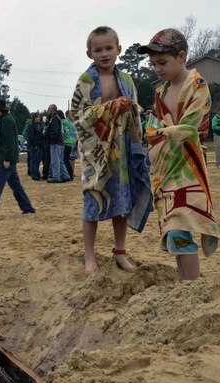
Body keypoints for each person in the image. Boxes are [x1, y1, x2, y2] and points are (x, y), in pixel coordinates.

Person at [138, 28, 220, 281]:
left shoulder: (197, 85)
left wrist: (161, 132)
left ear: (181, 56)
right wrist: (159, 132)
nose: (157, 69)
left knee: (181, 227)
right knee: (174, 232)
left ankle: (192, 285)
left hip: (188, 169)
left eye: (162, 62)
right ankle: (187, 283)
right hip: (165, 171)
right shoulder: (160, 93)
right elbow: (151, 129)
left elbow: (190, 127)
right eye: (153, 64)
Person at [71, 26, 153, 274]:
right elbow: (79, 115)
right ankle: (89, 256)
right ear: (89, 53)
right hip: (96, 151)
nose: (104, 53)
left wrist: (138, 139)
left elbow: (135, 111)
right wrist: (111, 108)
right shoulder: (86, 81)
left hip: (124, 149)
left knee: (122, 200)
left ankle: (120, 252)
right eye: (98, 49)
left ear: (119, 49)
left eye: (109, 48)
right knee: (93, 200)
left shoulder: (126, 80)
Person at [45, 104, 70, 183]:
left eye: (48, 109)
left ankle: (56, 177)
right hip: (60, 143)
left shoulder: (55, 119)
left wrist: (51, 140)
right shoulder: (57, 118)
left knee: (55, 161)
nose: (47, 111)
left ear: (52, 110)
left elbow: (54, 131)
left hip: (56, 143)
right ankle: (66, 176)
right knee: (60, 160)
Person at [26, 112, 44, 181]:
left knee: (38, 161)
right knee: (34, 160)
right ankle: (34, 175)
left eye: (39, 117)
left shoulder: (38, 125)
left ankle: (37, 174)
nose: (38, 118)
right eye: (37, 117)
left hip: (39, 145)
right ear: (34, 118)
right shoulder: (31, 126)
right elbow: (31, 137)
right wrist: (35, 144)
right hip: (34, 146)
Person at [63, 110, 78, 179]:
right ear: (67, 115)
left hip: (74, 141)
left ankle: (72, 172)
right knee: (70, 158)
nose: (72, 115)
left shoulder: (72, 122)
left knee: (73, 158)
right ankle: (70, 172)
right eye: (71, 114)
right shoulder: (67, 122)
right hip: (70, 142)